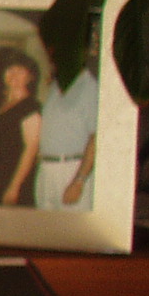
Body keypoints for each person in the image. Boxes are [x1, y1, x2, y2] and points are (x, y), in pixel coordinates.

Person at [36, 62, 99, 211]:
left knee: (72, 225)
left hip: (71, 170)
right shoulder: (56, 85)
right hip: (46, 171)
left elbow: (95, 138)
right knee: (45, 225)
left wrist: (79, 181)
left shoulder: (89, 86)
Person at [0, 57, 44, 207]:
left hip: (15, 177)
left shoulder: (30, 107)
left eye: (20, 71)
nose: (14, 74)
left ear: (30, 77)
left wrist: (15, 187)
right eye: (10, 69)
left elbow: (31, 149)